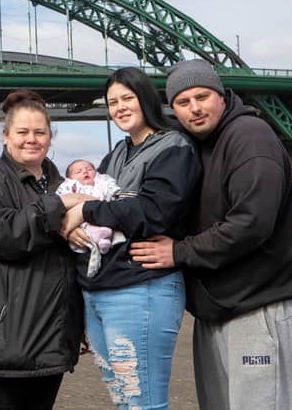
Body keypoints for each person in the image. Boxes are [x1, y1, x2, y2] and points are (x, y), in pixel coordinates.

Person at [130, 59, 292, 410]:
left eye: (202, 96)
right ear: (173, 108)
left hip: (259, 308)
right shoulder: (193, 148)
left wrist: (179, 252)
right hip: (219, 310)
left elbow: (251, 223)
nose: (194, 108)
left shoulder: (250, 137)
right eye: (183, 101)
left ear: (221, 96)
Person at [60, 67, 201, 409]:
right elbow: (104, 206)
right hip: (101, 290)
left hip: (141, 289)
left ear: (146, 99)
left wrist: (86, 211)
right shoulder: (116, 155)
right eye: (112, 102)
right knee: (123, 399)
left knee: (143, 402)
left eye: (127, 98)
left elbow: (154, 211)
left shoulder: (173, 147)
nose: (120, 107)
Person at [0, 89, 86, 410]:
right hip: (0, 338)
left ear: (50, 137)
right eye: (22, 132)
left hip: (51, 339)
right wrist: (60, 207)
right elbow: (5, 236)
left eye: (40, 132)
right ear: (5, 136)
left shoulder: (63, 183)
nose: (32, 139)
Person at [56, 159, 122, 277]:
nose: (85, 172)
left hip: (103, 215)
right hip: (82, 221)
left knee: (113, 230)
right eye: (78, 171)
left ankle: (108, 239)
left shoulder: (101, 181)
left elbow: (111, 187)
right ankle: (99, 244)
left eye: (89, 169)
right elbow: (60, 198)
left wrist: (113, 192)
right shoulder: (70, 186)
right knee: (87, 234)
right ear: (70, 178)